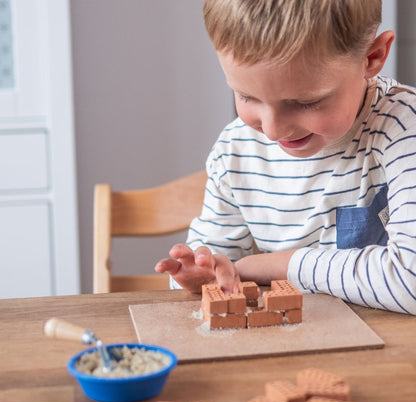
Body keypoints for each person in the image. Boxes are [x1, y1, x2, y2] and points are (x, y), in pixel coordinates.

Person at [155, 0, 416, 315]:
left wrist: (272, 265)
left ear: (372, 57)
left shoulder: (403, 128)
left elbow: (410, 280)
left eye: (305, 102)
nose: (273, 130)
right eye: (246, 96)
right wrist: (204, 275)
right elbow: (214, 269)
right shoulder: (235, 151)